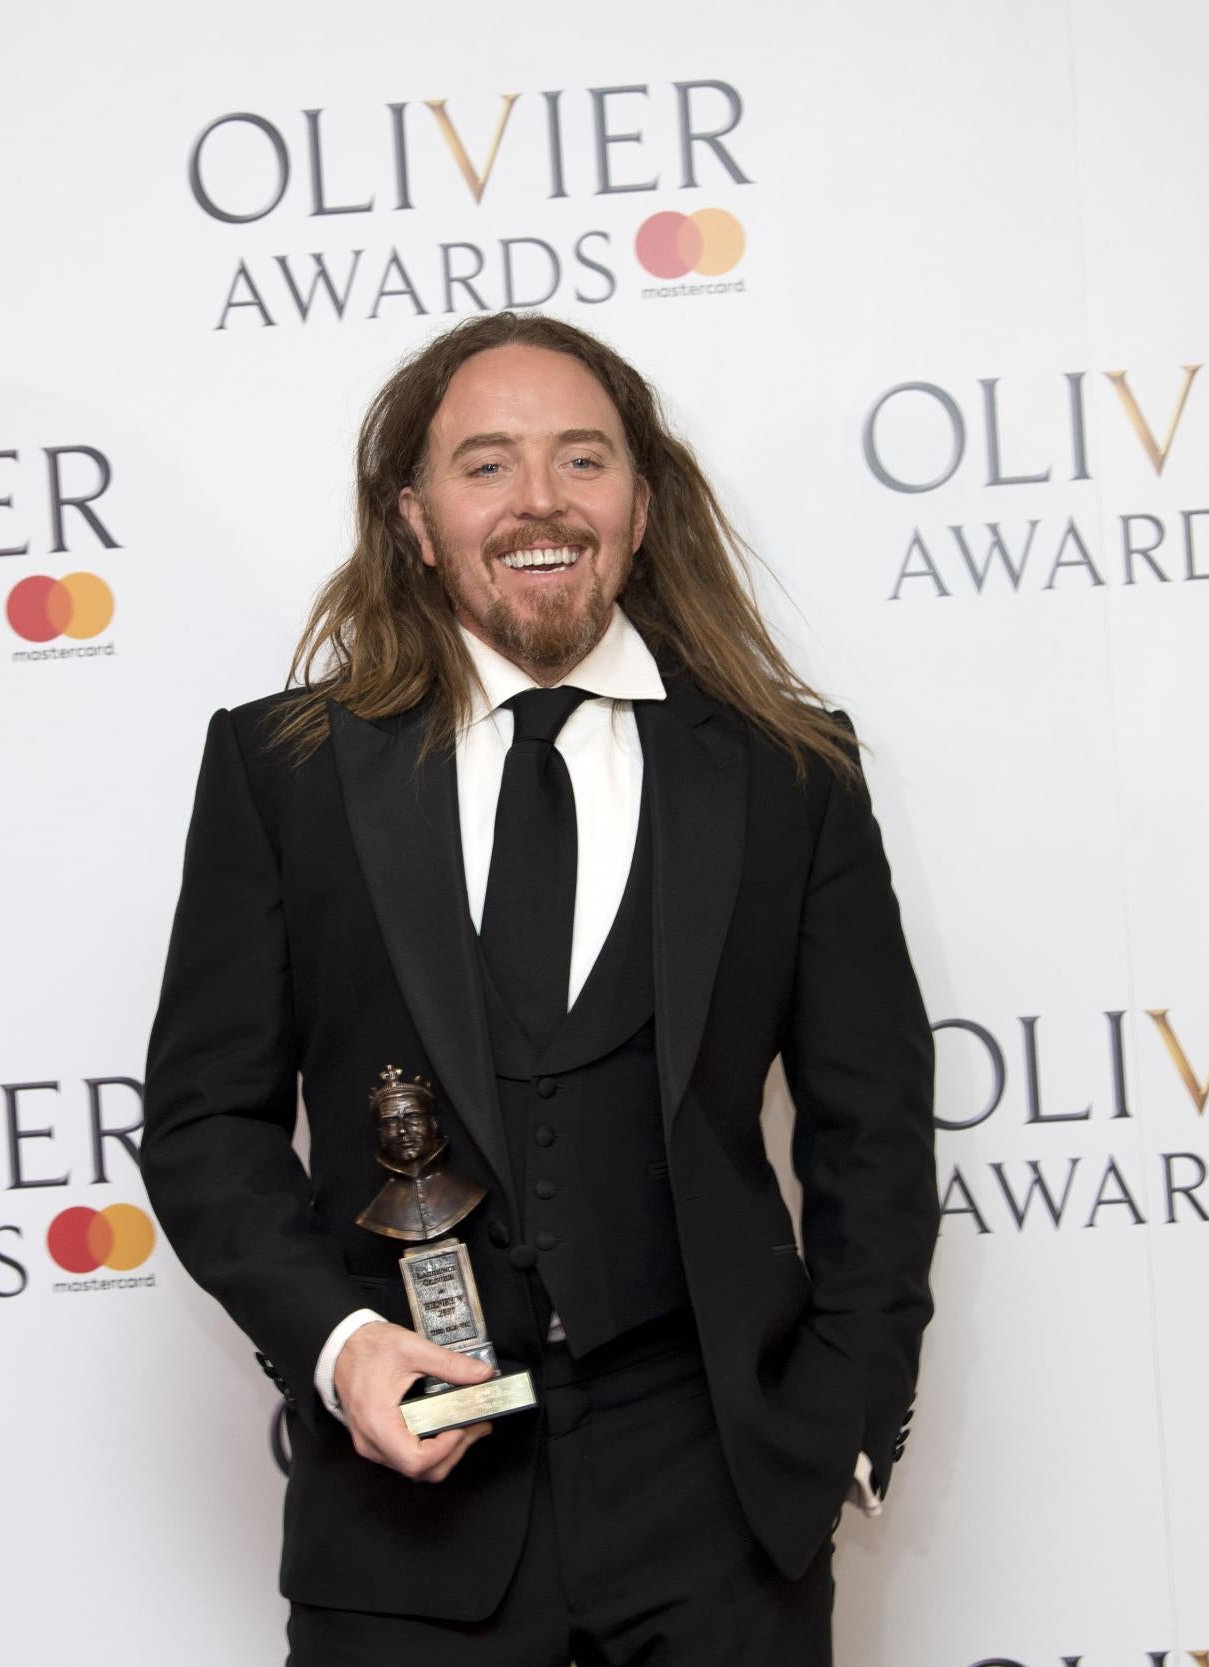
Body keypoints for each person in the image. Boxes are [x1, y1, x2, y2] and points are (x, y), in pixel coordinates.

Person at [143, 311, 937, 1666]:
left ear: (640, 503)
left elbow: (875, 1123)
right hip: (407, 1501)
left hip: (721, 1502)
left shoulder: (788, 768)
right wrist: (340, 1349)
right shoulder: (284, 773)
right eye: (486, 465)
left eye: (584, 460)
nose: (539, 503)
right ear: (415, 516)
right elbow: (205, 1124)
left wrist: (840, 1417)